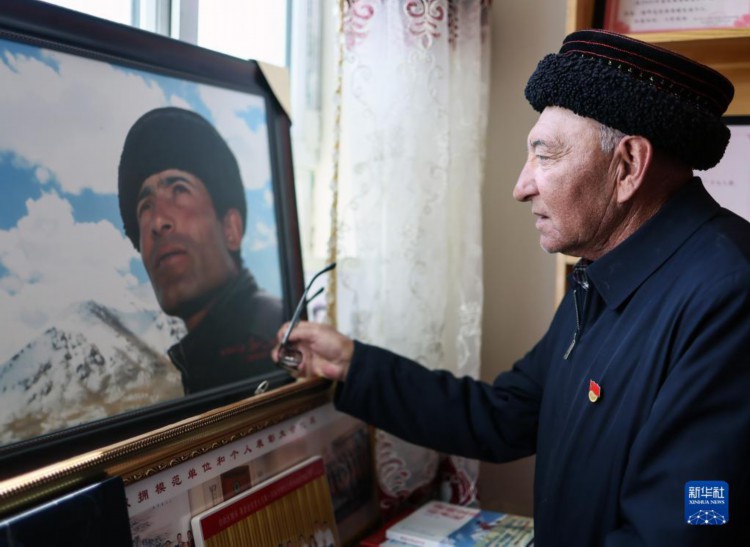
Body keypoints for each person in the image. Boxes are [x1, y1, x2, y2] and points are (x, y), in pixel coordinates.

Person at [273, 29, 750, 546]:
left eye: (544, 156)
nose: (521, 187)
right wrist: (353, 365)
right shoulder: (601, 272)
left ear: (628, 165)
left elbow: (687, 529)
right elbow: (504, 416)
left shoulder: (730, 294)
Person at [118, 106, 285, 394]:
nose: (157, 221)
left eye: (179, 190)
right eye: (146, 206)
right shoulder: (216, 354)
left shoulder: (273, 338)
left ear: (230, 228)